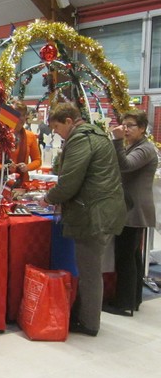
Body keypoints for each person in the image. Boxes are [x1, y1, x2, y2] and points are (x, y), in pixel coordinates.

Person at [40, 102, 126, 336]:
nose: (56, 133)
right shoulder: (96, 134)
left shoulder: (80, 139)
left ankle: (88, 323)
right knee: (91, 269)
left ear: (69, 121)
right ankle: (84, 315)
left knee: (89, 271)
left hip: (93, 214)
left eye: (57, 127)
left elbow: (69, 182)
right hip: (103, 210)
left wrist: (48, 198)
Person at [103, 110, 158, 316]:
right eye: (123, 125)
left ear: (142, 128)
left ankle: (123, 303)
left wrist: (116, 140)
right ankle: (133, 299)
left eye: (130, 125)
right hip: (131, 207)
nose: (125, 129)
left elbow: (125, 166)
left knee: (125, 257)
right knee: (132, 256)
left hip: (134, 210)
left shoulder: (145, 148)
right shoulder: (136, 146)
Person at [0, 100, 41, 195]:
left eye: (23, 115)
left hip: (20, 184)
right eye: (17, 115)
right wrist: (2, 167)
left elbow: (37, 160)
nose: (21, 118)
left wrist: (27, 167)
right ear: (11, 116)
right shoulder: (0, 135)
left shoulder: (31, 136)